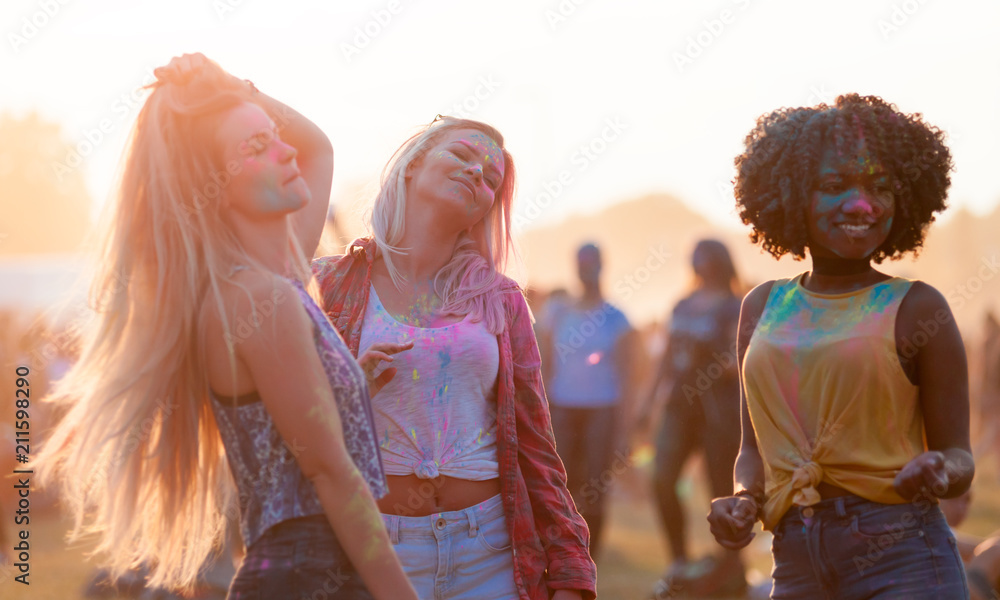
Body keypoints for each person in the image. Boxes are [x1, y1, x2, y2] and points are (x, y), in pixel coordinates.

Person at [33, 53, 416, 599]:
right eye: (256, 148)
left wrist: (235, 90)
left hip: (306, 570)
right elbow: (332, 474)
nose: (285, 152)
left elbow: (317, 147)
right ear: (214, 186)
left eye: (273, 136)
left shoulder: (269, 279)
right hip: (312, 574)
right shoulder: (260, 299)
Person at [312, 116, 597, 600]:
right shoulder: (329, 284)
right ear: (411, 165)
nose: (476, 174)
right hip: (373, 549)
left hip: (488, 551)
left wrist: (571, 573)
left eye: (491, 178)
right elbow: (287, 426)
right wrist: (345, 393)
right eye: (462, 155)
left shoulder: (502, 300)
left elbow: (535, 443)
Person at [707, 94, 974, 599]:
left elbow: (959, 455)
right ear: (788, 196)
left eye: (880, 187)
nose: (861, 204)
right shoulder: (762, 306)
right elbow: (752, 450)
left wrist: (940, 470)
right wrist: (743, 499)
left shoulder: (918, 308)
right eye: (834, 187)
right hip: (795, 561)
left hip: (904, 555)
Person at [637, 239, 745, 597]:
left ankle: (731, 567)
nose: (700, 262)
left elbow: (739, 362)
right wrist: (646, 402)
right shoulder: (682, 304)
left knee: (721, 491)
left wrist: (711, 357)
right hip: (678, 408)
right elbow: (665, 359)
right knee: (662, 478)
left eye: (706, 255)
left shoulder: (734, 306)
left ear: (720, 261)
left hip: (719, 411)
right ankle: (679, 559)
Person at [537, 243, 638, 559]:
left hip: (602, 409)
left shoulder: (616, 318)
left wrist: (624, 429)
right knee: (561, 483)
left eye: (592, 261)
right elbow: (543, 365)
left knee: (595, 484)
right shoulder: (557, 312)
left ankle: (589, 556)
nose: (586, 268)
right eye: (581, 261)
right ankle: (563, 551)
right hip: (562, 408)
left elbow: (627, 376)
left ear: (601, 266)